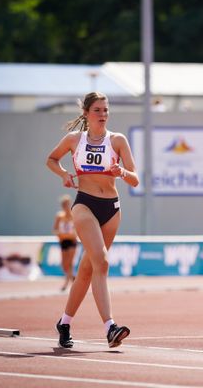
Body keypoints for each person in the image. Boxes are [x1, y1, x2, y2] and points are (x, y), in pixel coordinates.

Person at [46, 91, 139, 349]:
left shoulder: (117, 140)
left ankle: (64, 323)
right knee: (103, 262)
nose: (103, 115)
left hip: (112, 208)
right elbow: (51, 159)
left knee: (88, 270)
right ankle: (110, 327)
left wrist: (122, 171)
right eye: (97, 110)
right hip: (85, 204)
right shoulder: (75, 139)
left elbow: (135, 178)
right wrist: (64, 173)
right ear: (86, 113)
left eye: (106, 110)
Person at [52, 194, 78, 291]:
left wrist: (71, 235)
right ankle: (72, 278)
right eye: (64, 204)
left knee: (70, 262)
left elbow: (77, 230)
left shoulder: (73, 215)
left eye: (67, 204)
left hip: (72, 241)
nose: (66, 206)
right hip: (63, 241)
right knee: (64, 264)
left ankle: (67, 283)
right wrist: (59, 234)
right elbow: (55, 229)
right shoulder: (59, 216)